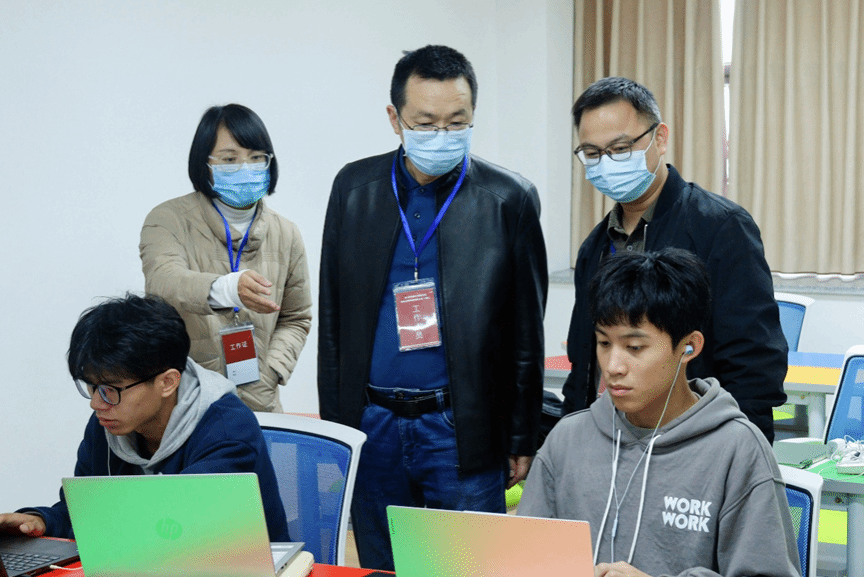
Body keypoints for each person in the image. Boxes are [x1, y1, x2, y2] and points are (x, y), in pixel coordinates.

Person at [318, 45, 548, 570]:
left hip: (460, 425)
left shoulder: (508, 198)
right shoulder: (354, 188)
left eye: (457, 122)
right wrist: (338, 429)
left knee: (468, 565)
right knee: (382, 562)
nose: (442, 135)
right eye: (425, 123)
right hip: (372, 423)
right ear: (394, 118)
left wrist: (521, 435)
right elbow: (333, 319)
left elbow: (525, 332)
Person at [519, 249, 801, 577]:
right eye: (604, 344)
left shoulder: (737, 451)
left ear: (689, 347)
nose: (613, 367)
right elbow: (523, 562)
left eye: (634, 347)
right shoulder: (567, 441)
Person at [562, 77, 787, 443]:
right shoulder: (595, 247)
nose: (606, 163)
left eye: (620, 148)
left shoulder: (719, 227)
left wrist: (740, 449)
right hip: (611, 441)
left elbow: (754, 361)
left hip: (696, 439)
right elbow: (583, 361)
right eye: (592, 153)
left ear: (660, 138)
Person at [0, 294, 290, 541]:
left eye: (110, 389)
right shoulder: (108, 422)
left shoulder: (227, 430)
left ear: (167, 382)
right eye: (91, 386)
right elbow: (85, 513)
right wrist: (42, 521)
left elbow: (176, 531)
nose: (96, 403)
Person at [140, 104, 312, 413]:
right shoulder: (168, 219)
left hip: (261, 406)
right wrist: (229, 288)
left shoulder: (287, 233)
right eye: (230, 159)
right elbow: (163, 281)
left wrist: (271, 371)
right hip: (186, 405)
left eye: (257, 157)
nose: (246, 168)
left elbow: (296, 317)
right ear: (204, 163)